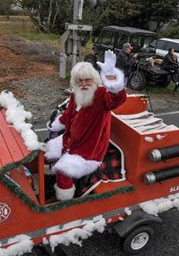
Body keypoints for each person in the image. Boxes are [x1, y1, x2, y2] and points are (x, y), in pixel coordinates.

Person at [45, 51, 127, 201]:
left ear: (95, 80)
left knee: (64, 171)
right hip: (71, 140)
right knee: (47, 150)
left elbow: (116, 100)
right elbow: (68, 115)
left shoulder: (102, 95)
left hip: (89, 150)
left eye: (87, 80)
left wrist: (112, 80)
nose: (83, 84)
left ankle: (65, 200)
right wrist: (57, 124)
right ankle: (49, 179)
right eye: (79, 81)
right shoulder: (75, 94)